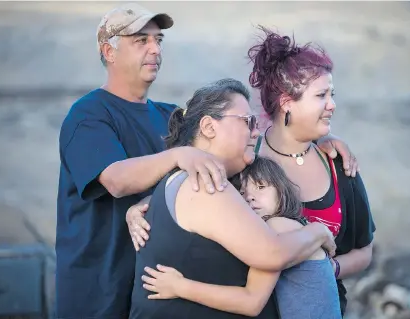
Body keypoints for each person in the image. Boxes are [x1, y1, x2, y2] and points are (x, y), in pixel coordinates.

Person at [55, 2, 360, 318]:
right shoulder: (88, 116)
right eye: (140, 40)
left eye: (158, 40)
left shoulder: (167, 116)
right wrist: (178, 156)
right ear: (109, 51)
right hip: (100, 290)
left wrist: (313, 141)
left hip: (153, 281)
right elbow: (116, 180)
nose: (155, 49)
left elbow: (236, 153)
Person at [129, 78, 340, 318]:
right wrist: (318, 232)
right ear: (209, 127)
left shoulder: (188, 181)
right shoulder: (207, 184)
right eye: (248, 122)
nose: (256, 131)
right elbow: (271, 254)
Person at [246, 26, 376, 316]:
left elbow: (365, 251)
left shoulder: (339, 165)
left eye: (332, 94)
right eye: (321, 95)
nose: (332, 105)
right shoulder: (246, 161)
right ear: (286, 102)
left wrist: (331, 267)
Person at [141, 156, 342, 318]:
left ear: (282, 191)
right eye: (243, 192)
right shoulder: (297, 228)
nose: (250, 197)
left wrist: (179, 287)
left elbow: (251, 302)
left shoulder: (277, 226)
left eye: (261, 187)